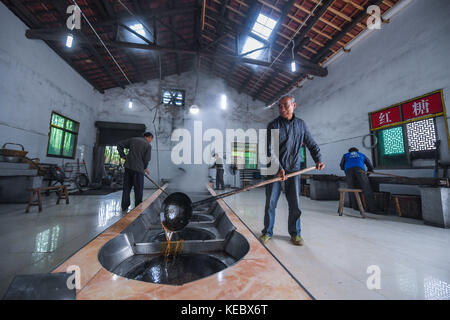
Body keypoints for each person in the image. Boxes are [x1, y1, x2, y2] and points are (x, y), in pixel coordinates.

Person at [260, 95, 325, 246]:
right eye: (280, 106)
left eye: (286, 105)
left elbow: (311, 144)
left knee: (295, 203)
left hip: (294, 169)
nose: (282, 108)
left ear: (294, 105)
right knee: (270, 202)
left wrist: (318, 159)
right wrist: (279, 168)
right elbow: (269, 149)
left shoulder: (301, 125)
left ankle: (295, 234)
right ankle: (267, 232)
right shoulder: (273, 125)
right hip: (275, 170)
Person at [117, 132, 153, 213]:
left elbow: (119, 144)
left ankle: (124, 207)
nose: (150, 141)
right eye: (151, 139)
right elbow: (146, 159)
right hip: (138, 170)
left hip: (128, 168)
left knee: (126, 188)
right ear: (149, 137)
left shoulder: (133, 140)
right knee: (138, 190)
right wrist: (144, 167)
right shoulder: (148, 145)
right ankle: (138, 208)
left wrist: (123, 155)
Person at [340, 147, 378, 213]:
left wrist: (347, 171)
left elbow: (341, 166)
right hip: (360, 169)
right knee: (366, 188)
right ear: (357, 151)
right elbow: (369, 165)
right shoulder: (361, 154)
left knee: (351, 189)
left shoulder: (346, 155)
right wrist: (368, 173)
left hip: (348, 170)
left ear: (349, 151)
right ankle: (372, 208)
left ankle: (355, 207)